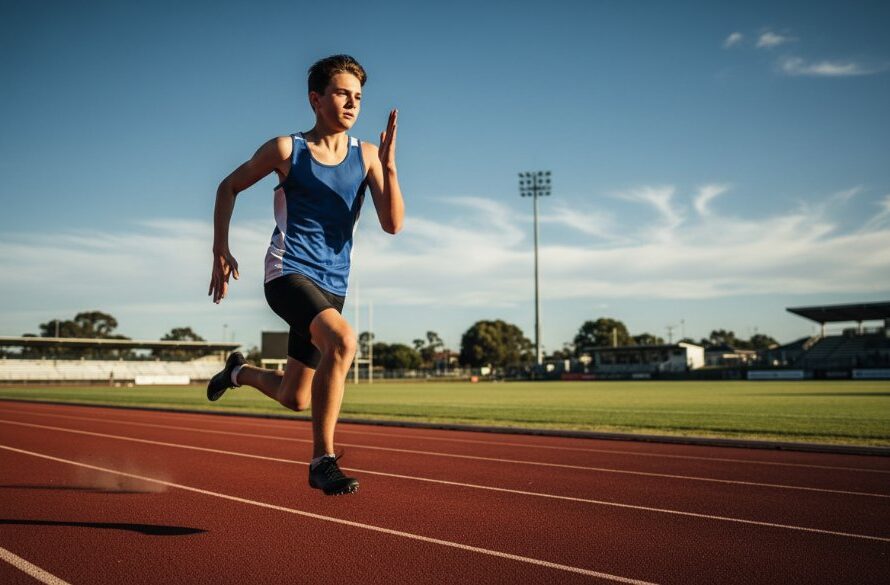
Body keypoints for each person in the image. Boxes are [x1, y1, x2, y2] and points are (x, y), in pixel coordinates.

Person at [206, 54, 404, 496]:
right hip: (287, 272)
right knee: (344, 341)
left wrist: (389, 167)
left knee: (296, 397)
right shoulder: (286, 149)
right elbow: (228, 186)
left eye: (358, 97)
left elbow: (392, 224)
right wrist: (221, 247)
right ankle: (322, 461)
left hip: (333, 285)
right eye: (341, 93)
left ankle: (238, 373)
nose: (352, 103)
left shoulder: (367, 156)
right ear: (316, 99)